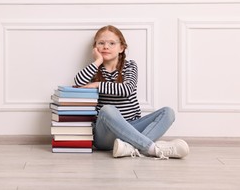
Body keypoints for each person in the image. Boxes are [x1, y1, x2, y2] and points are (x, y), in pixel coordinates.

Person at [74, 25, 189, 159]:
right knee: (107, 110)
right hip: (105, 135)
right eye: (101, 43)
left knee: (168, 112)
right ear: (95, 48)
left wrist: (97, 85)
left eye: (112, 43)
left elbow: (126, 89)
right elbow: (79, 83)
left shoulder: (130, 66)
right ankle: (152, 149)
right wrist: (98, 61)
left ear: (121, 48)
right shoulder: (94, 70)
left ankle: (128, 148)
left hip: (132, 127)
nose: (106, 46)